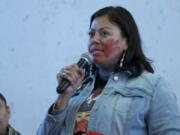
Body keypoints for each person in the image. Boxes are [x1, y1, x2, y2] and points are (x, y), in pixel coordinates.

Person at [37, 6, 180, 135]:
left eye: (104, 33)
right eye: (91, 34)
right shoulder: (78, 87)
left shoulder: (153, 88)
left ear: (126, 42)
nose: (94, 39)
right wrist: (63, 98)